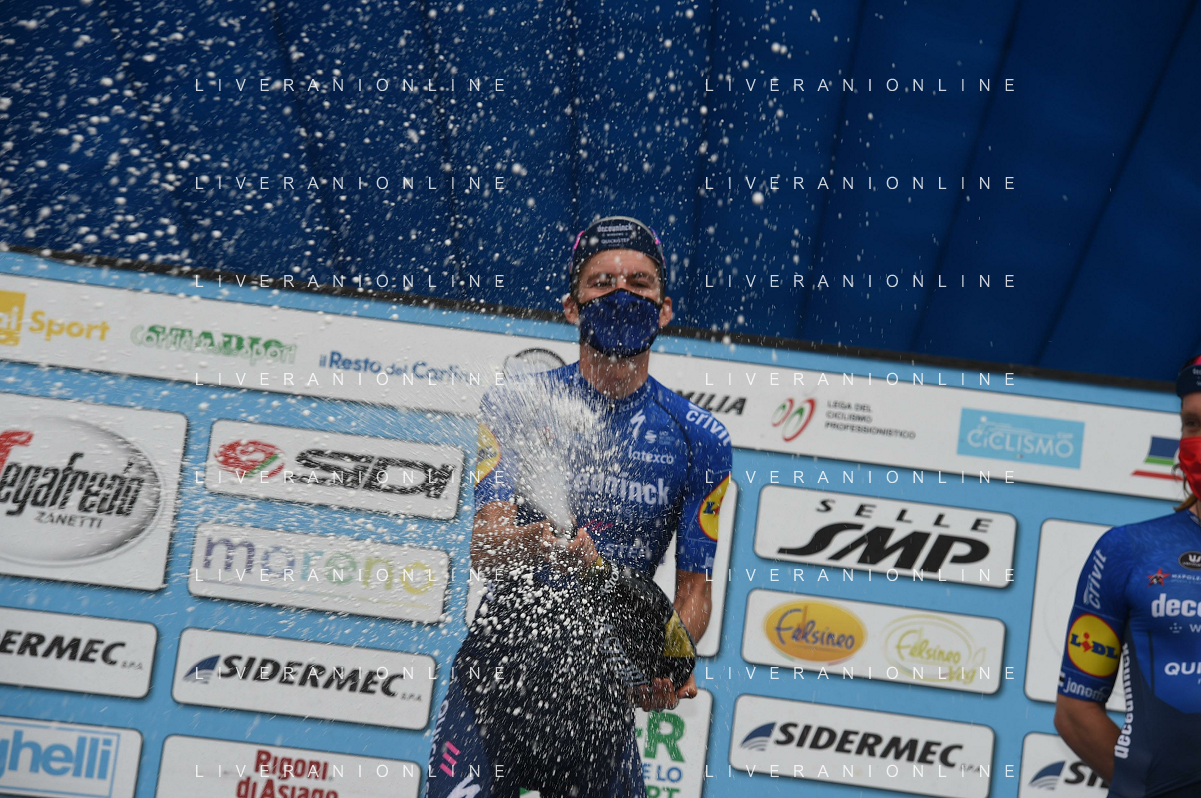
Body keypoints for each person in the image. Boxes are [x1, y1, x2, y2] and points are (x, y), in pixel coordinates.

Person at [424, 216, 733, 798]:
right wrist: (533, 546)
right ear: (572, 307)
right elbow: (486, 550)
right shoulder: (516, 403)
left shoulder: (701, 437)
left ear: (665, 309)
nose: (622, 294)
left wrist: (668, 658)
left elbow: (695, 591)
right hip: (498, 672)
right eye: (602, 283)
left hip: (600, 695)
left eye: (640, 283)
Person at [1054, 354, 1201, 797]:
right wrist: (1148, 789)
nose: (1198, 439)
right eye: (1192, 424)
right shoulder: (1127, 550)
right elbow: (1075, 711)